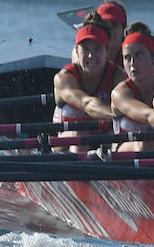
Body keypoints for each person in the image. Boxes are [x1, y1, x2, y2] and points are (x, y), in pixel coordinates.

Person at [53, 16, 126, 151]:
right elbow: (88, 104)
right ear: (76, 51)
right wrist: (119, 115)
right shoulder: (64, 78)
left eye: (97, 48)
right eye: (85, 49)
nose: (91, 55)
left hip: (104, 141)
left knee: (116, 136)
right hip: (67, 143)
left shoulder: (118, 76)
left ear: (107, 51)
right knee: (79, 135)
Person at [109, 22, 154, 152]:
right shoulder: (119, 93)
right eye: (127, 58)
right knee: (145, 143)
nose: (133, 63)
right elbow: (148, 115)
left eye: (139, 55)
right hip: (123, 154)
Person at [94, 0, 128, 65]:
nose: (109, 29)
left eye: (114, 24)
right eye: (104, 24)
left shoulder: (131, 60)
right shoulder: (88, 57)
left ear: (123, 30)